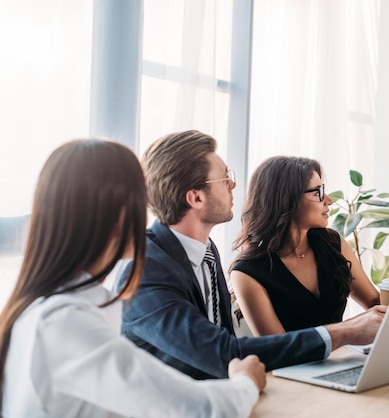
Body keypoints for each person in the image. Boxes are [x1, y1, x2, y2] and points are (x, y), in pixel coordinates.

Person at [0, 139, 266, 417]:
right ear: (114, 214)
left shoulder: (56, 306)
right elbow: (198, 409)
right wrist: (245, 381)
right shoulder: (64, 322)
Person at [119, 130, 386, 380]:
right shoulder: (145, 271)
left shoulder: (206, 252)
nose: (234, 184)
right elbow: (222, 353)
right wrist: (347, 331)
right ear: (196, 198)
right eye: (225, 178)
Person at [230, 156, 380, 335]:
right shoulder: (247, 272)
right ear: (286, 200)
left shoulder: (332, 243)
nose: (329, 200)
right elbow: (280, 348)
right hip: (295, 364)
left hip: (343, 359)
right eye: (318, 192)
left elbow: (375, 302)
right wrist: (353, 327)